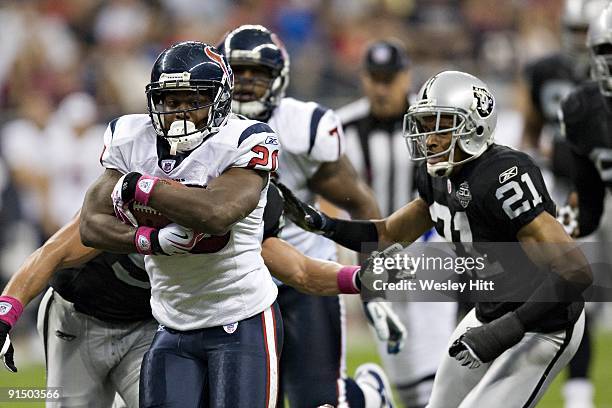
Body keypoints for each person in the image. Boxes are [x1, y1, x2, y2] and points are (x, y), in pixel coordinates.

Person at [279, 70, 592, 407]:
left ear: (473, 127)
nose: (429, 139)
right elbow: (387, 234)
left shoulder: (503, 177)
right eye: (425, 126)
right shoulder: (437, 177)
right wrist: (322, 223)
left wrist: (508, 329)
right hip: (490, 313)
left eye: (441, 126)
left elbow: (575, 271)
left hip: (544, 324)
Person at [0, 183, 405, 407]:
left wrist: (360, 277)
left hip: (150, 325)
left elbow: (300, 270)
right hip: (80, 318)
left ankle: (366, 396)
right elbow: (50, 254)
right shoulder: (142, 195)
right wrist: (7, 311)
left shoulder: (244, 207)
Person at [77, 40, 284, 408]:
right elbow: (90, 226)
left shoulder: (245, 138)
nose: (181, 113)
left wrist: (141, 186)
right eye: (172, 102)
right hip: (171, 323)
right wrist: (150, 241)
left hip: (242, 318)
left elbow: (216, 213)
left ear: (219, 101)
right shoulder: (131, 138)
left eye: (193, 101)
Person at [219, 25, 389, 408]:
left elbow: (361, 204)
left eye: (257, 73)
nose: (246, 82)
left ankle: (369, 398)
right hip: (236, 281)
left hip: (303, 277)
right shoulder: (201, 131)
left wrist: (374, 292)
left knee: (320, 400)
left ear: (277, 79)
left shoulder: (301, 127)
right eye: (237, 72)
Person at [337, 39, 455, 408]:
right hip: (373, 255)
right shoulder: (343, 127)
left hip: (429, 247)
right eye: (375, 77)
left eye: (390, 77)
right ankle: (384, 397)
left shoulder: (433, 118)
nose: (382, 86)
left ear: (406, 76)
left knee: (434, 361)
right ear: (363, 79)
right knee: (402, 367)